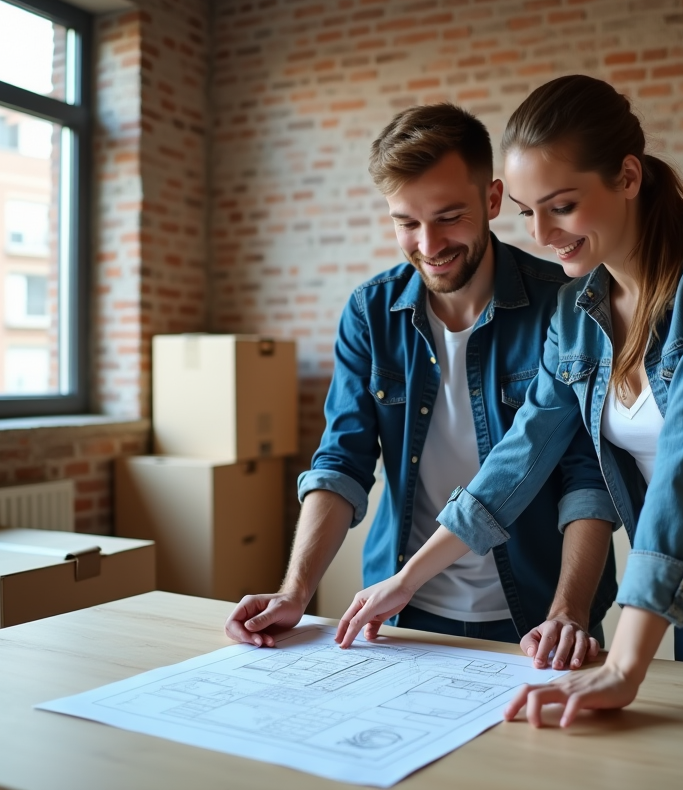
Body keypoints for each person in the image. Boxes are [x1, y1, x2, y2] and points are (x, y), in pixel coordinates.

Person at [334, 75, 683, 726]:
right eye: (528, 212)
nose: (543, 233)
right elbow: (517, 459)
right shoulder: (575, 310)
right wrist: (405, 581)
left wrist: (624, 664)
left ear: (627, 176)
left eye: (562, 206)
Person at [224, 102, 621, 671]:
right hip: (402, 612)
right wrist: (295, 591)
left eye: (449, 217)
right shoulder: (370, 313)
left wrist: (570, 612)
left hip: (540, 618)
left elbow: (588, 477)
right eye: (406, 223)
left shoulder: (565, 305)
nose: (429, 245)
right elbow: (342, 461)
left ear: (492, 200)